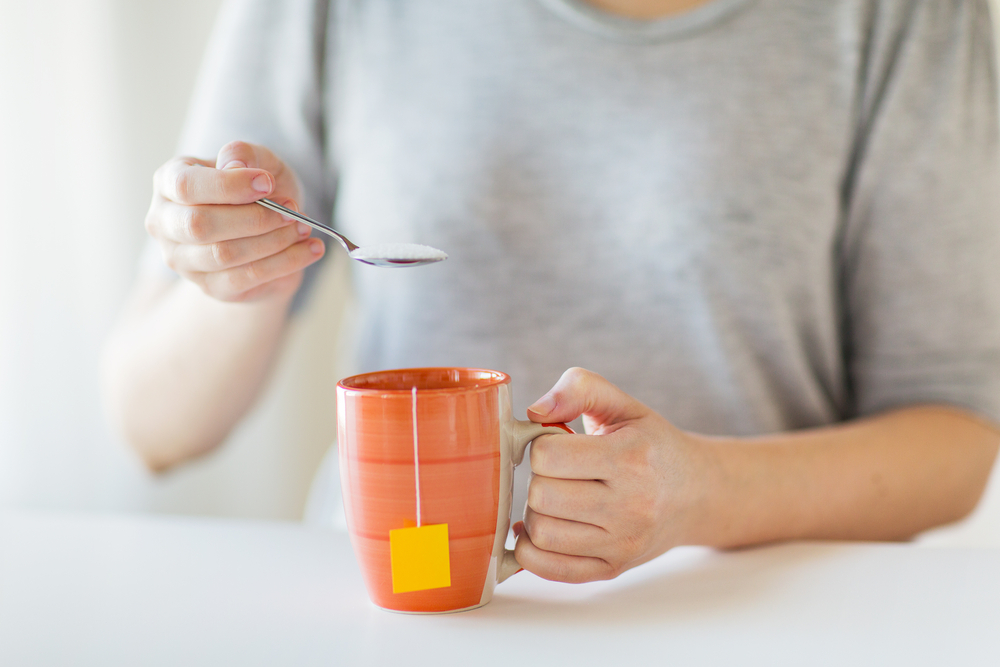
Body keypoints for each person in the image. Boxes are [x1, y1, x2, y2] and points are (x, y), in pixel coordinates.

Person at [102, 0, 1000, 583]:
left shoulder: (905, 17)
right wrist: (244, 276)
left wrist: (701, 493)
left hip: (751, 610)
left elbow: (955, 441)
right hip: (410, 603)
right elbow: (153, 424)